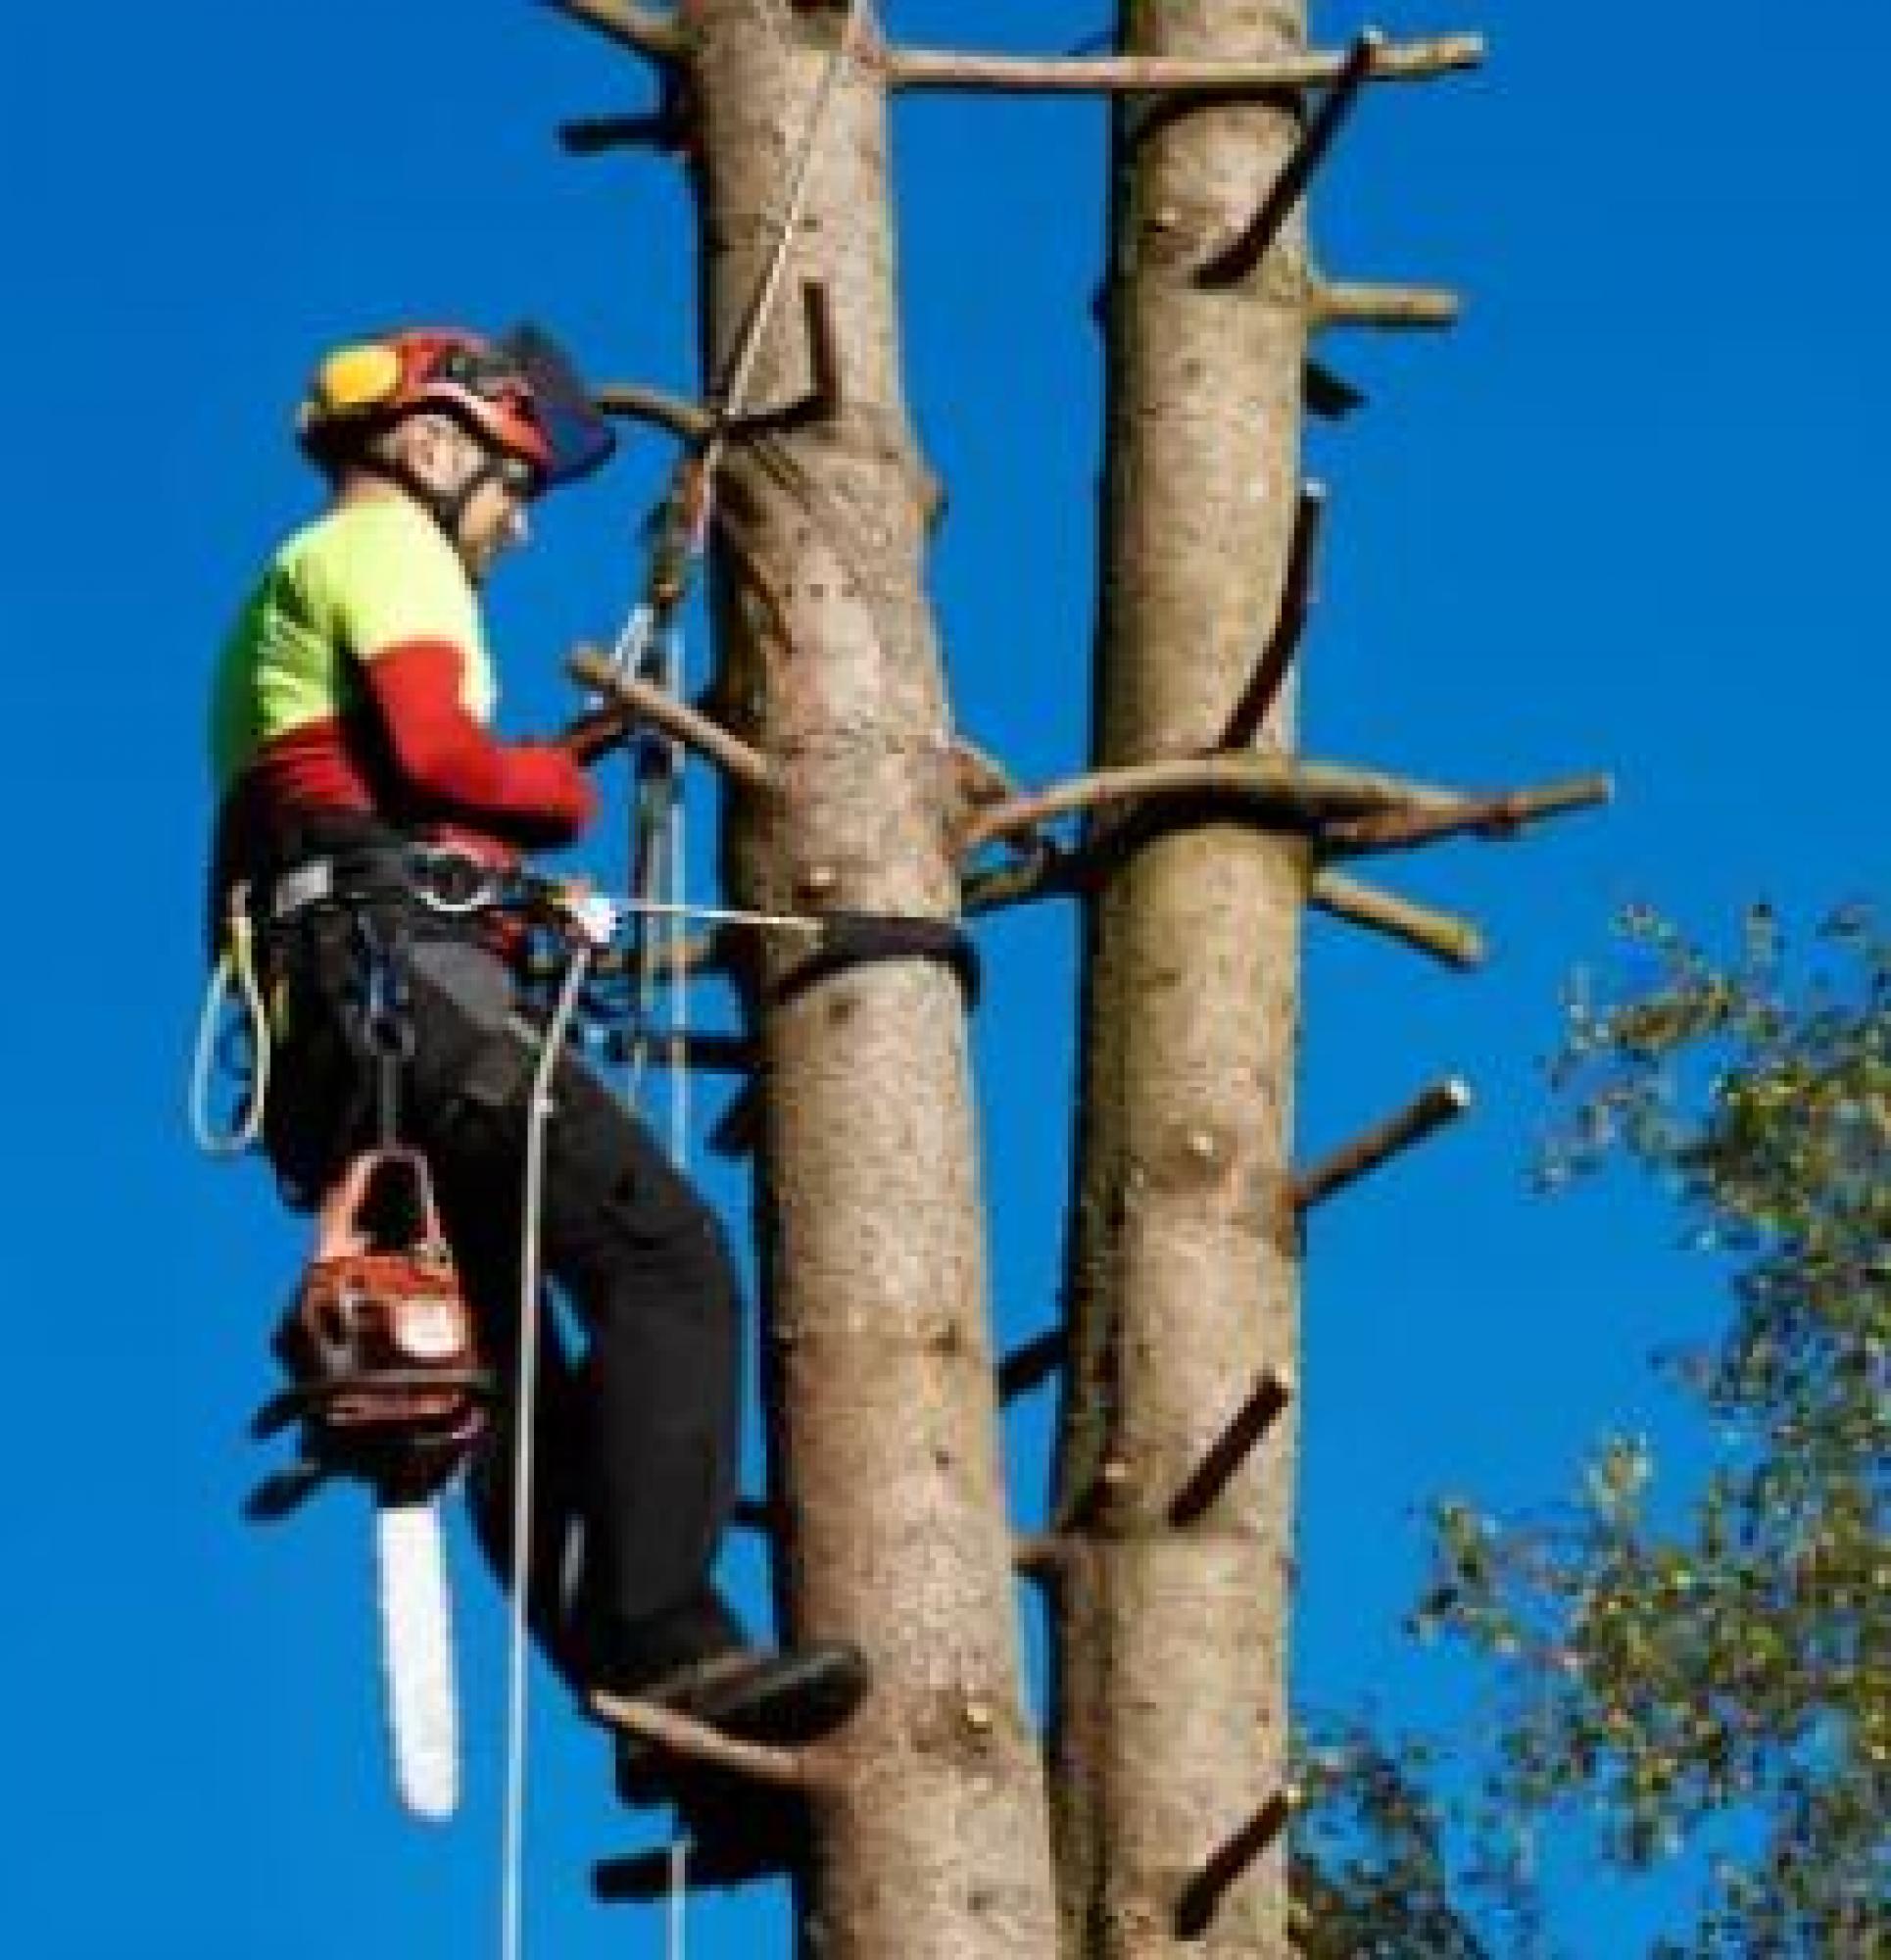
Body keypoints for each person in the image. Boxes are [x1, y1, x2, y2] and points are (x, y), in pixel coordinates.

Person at [206, 323, 865, 1834]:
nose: (516, 520)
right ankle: (676, 1651)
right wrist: (556, 784)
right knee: (665, 1261)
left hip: (334, 1041)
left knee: (509, 1392)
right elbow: (443, 760)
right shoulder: (386, 549)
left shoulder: (278, 611)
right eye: (511, 484)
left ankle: (652, 1722)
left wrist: (519, 801)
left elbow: (365, 799)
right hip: (414, 1008)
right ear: (436, 449)